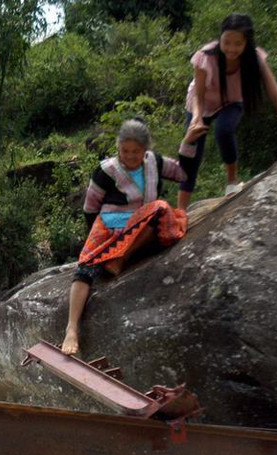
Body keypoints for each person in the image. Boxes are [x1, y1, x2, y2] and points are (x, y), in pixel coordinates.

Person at [61, 119, 190, 356]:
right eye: (125, 151)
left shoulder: (155, 163)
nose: (130, 156)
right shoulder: (106, 170)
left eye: (136, 151)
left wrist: (190, 141)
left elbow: (183, 173)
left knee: (160, 208)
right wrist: (97, 239)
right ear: (118, 148)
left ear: (145, 150)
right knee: (86, 267)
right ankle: (71, 329)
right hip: (109, 225)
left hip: (141, 225)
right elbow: (90, 207)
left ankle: (121, 258)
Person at [177, 13, 277, 209]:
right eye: (226, 42)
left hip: (231, 101)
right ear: (220, 38)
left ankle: (232, 181)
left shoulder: (255, 59)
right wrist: (196, 118)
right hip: (201, 103)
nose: (231, 48)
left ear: (246, 42)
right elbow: (199, 94)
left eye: (238, 44)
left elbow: (276, 96)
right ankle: (181, 211)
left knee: (224, 129)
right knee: (191, 152)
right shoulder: (206, 56)